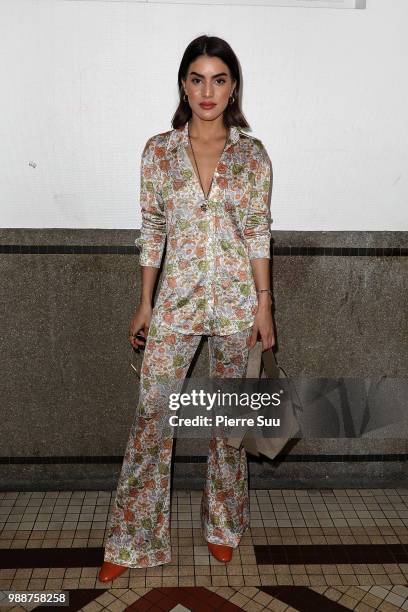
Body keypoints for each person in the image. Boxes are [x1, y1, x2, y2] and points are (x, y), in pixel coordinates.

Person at [98, 34, 275, 583]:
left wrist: (265, 305)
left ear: (233, 87)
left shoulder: (252, 155)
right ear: (183, 84)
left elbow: (258, 234)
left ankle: (223, 526)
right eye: (197, 78)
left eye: (219, 79)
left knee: (227, 423)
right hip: (175, 301)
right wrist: (144, 302)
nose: (207, 90)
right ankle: (132, 539)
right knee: (153, 418)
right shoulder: (158, 152)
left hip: (236, 304)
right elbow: (152, 230)